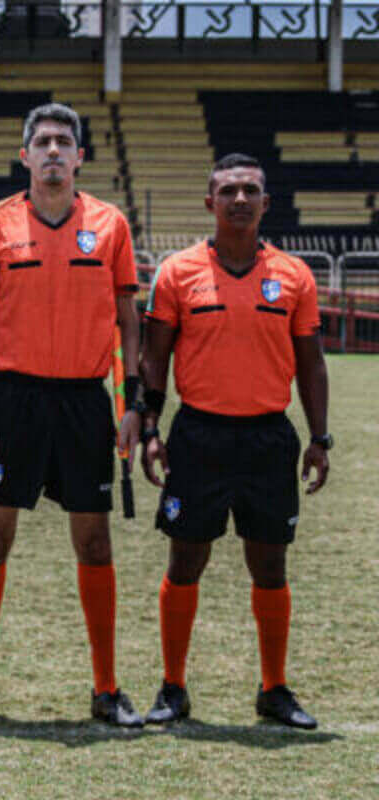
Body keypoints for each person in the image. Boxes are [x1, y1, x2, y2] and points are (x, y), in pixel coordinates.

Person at [0, 103, 145, 727]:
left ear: (81, 156)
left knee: (94, 541)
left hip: (87, 402)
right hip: (13, 399)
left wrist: (130, 402)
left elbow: (128, 321)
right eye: (44, 142)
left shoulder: (111, 225)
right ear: (26, 154)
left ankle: (106, 687)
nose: (55, 151)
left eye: (65, 141)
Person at [138, 153, 329, 729]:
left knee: (269, 564)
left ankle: (274, 688)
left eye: (250, 191)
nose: (239, 200)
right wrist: (150, 430)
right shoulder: (177, 271)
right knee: (186, 559)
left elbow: (312, 365)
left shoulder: (295, 275)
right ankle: (173, 686)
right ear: (209, 202)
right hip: (199, 435)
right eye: (228, 191)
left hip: (269, 438)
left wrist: (319, 439)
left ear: (266, 203)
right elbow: (155, 359)